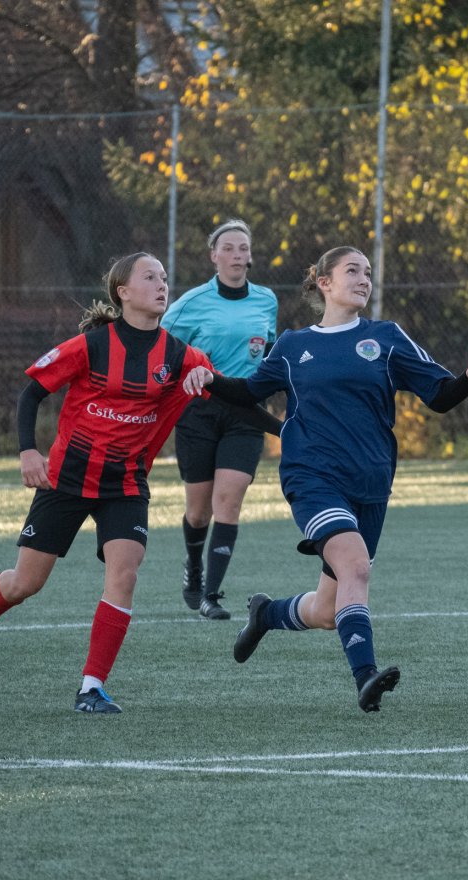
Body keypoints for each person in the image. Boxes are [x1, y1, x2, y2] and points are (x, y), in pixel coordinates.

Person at [0, 252, 278, 714]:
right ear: (123, 292)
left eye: (164, 277)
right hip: (67, 478)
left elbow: (235, 401)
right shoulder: (91, 346)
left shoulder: (181, 356)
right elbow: (32, 393)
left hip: (125, 482)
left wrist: (285, 430)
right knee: (25, 583)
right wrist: (28, 451)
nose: (162, 284)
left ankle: (91, 688)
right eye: (150, 277)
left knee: (124, 573)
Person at [182, 246, 468, 712]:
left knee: (327, 611)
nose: (364, 279)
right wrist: (210, 379)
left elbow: (440, 396)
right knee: (356, 566)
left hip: (370, 483)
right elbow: (249, 392)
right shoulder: (292, 346)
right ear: (324, 282)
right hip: (312, 477)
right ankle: (366, 677)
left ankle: (266, 613)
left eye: (368, 272)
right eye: (353, 270)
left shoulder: (386, 337)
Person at [160, 219, 279, 620]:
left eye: (243, 248)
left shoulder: (266, 300)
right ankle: (193, 566)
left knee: (228, 500)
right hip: (198, 412)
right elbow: (160, 348)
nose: (236, 255)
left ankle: (211, 595)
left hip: (245, 411)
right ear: (214, 256)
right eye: (228, 248)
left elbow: (268, 352)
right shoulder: (190, 303)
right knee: (199, 512)